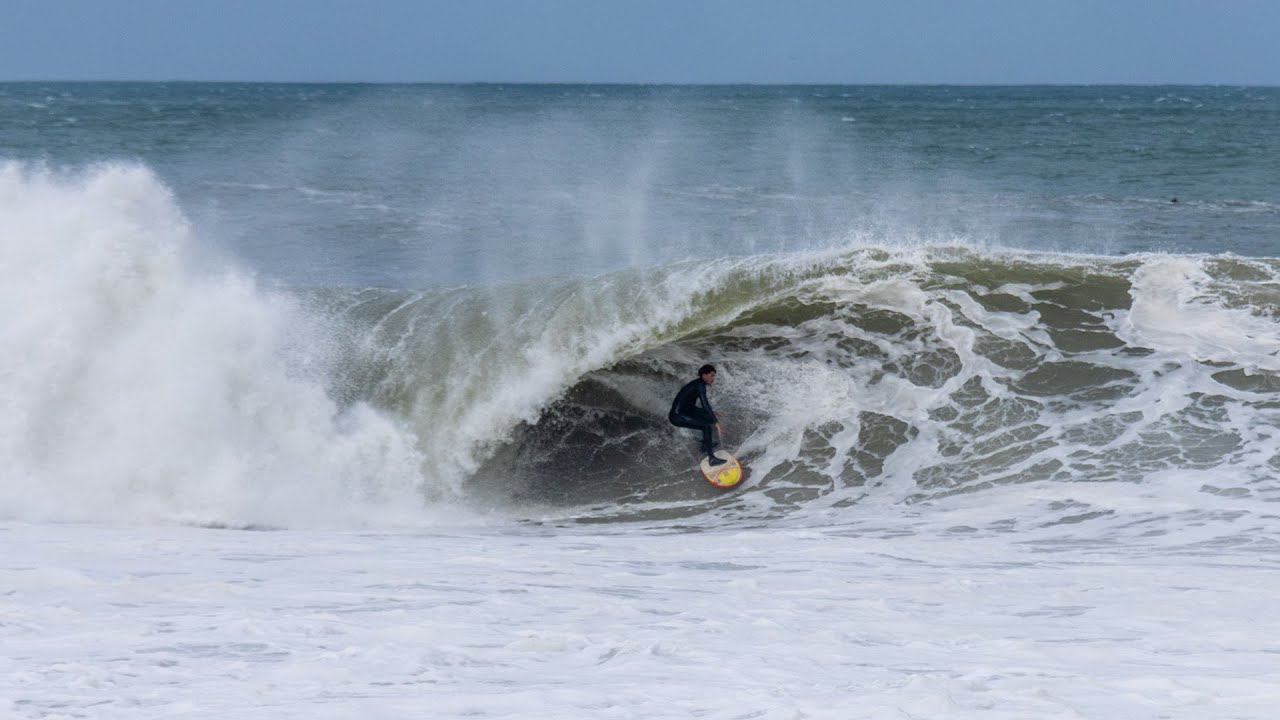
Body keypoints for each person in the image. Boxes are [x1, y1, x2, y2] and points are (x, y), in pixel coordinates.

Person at [669, 364, 725, 465]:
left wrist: (711, 414)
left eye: (714, 376)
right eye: (711, 375)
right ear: (704, 375)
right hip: (677, 417)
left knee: (709, 418)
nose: (713, 378)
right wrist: (716, 422)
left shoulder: (698, 384)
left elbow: (690, 405)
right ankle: (712, 459)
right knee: (706, 427)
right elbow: (705, 404)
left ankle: (705, 445)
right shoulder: (699, 386)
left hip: (687, 411)